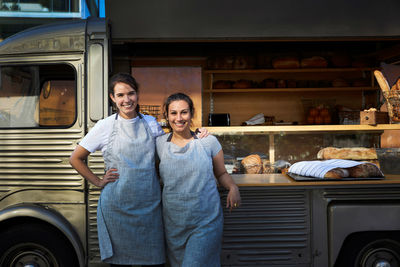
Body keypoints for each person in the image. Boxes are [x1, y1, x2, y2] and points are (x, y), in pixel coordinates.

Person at [69, 73, 166, 267]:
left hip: (150, 207)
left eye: (131, 93)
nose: (126, 100)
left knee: (154, 262)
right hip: (117, 208)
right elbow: (76, 158)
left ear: (137, 95)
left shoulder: (150, 123)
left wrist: (198, 136)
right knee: (120, 264)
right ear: (112, 98)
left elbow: (165, 156)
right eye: (120, 95)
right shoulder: (105, 126)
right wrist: (98, 181)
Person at [156, 92, 241, 267]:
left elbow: (221, 174)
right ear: (166, 115)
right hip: (173, 222)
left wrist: (233, 188)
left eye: (184, 112)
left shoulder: (208, 141)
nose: (179, 118)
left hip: (206, 220)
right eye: (173, 113)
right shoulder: (158, 144)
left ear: (192, 113)